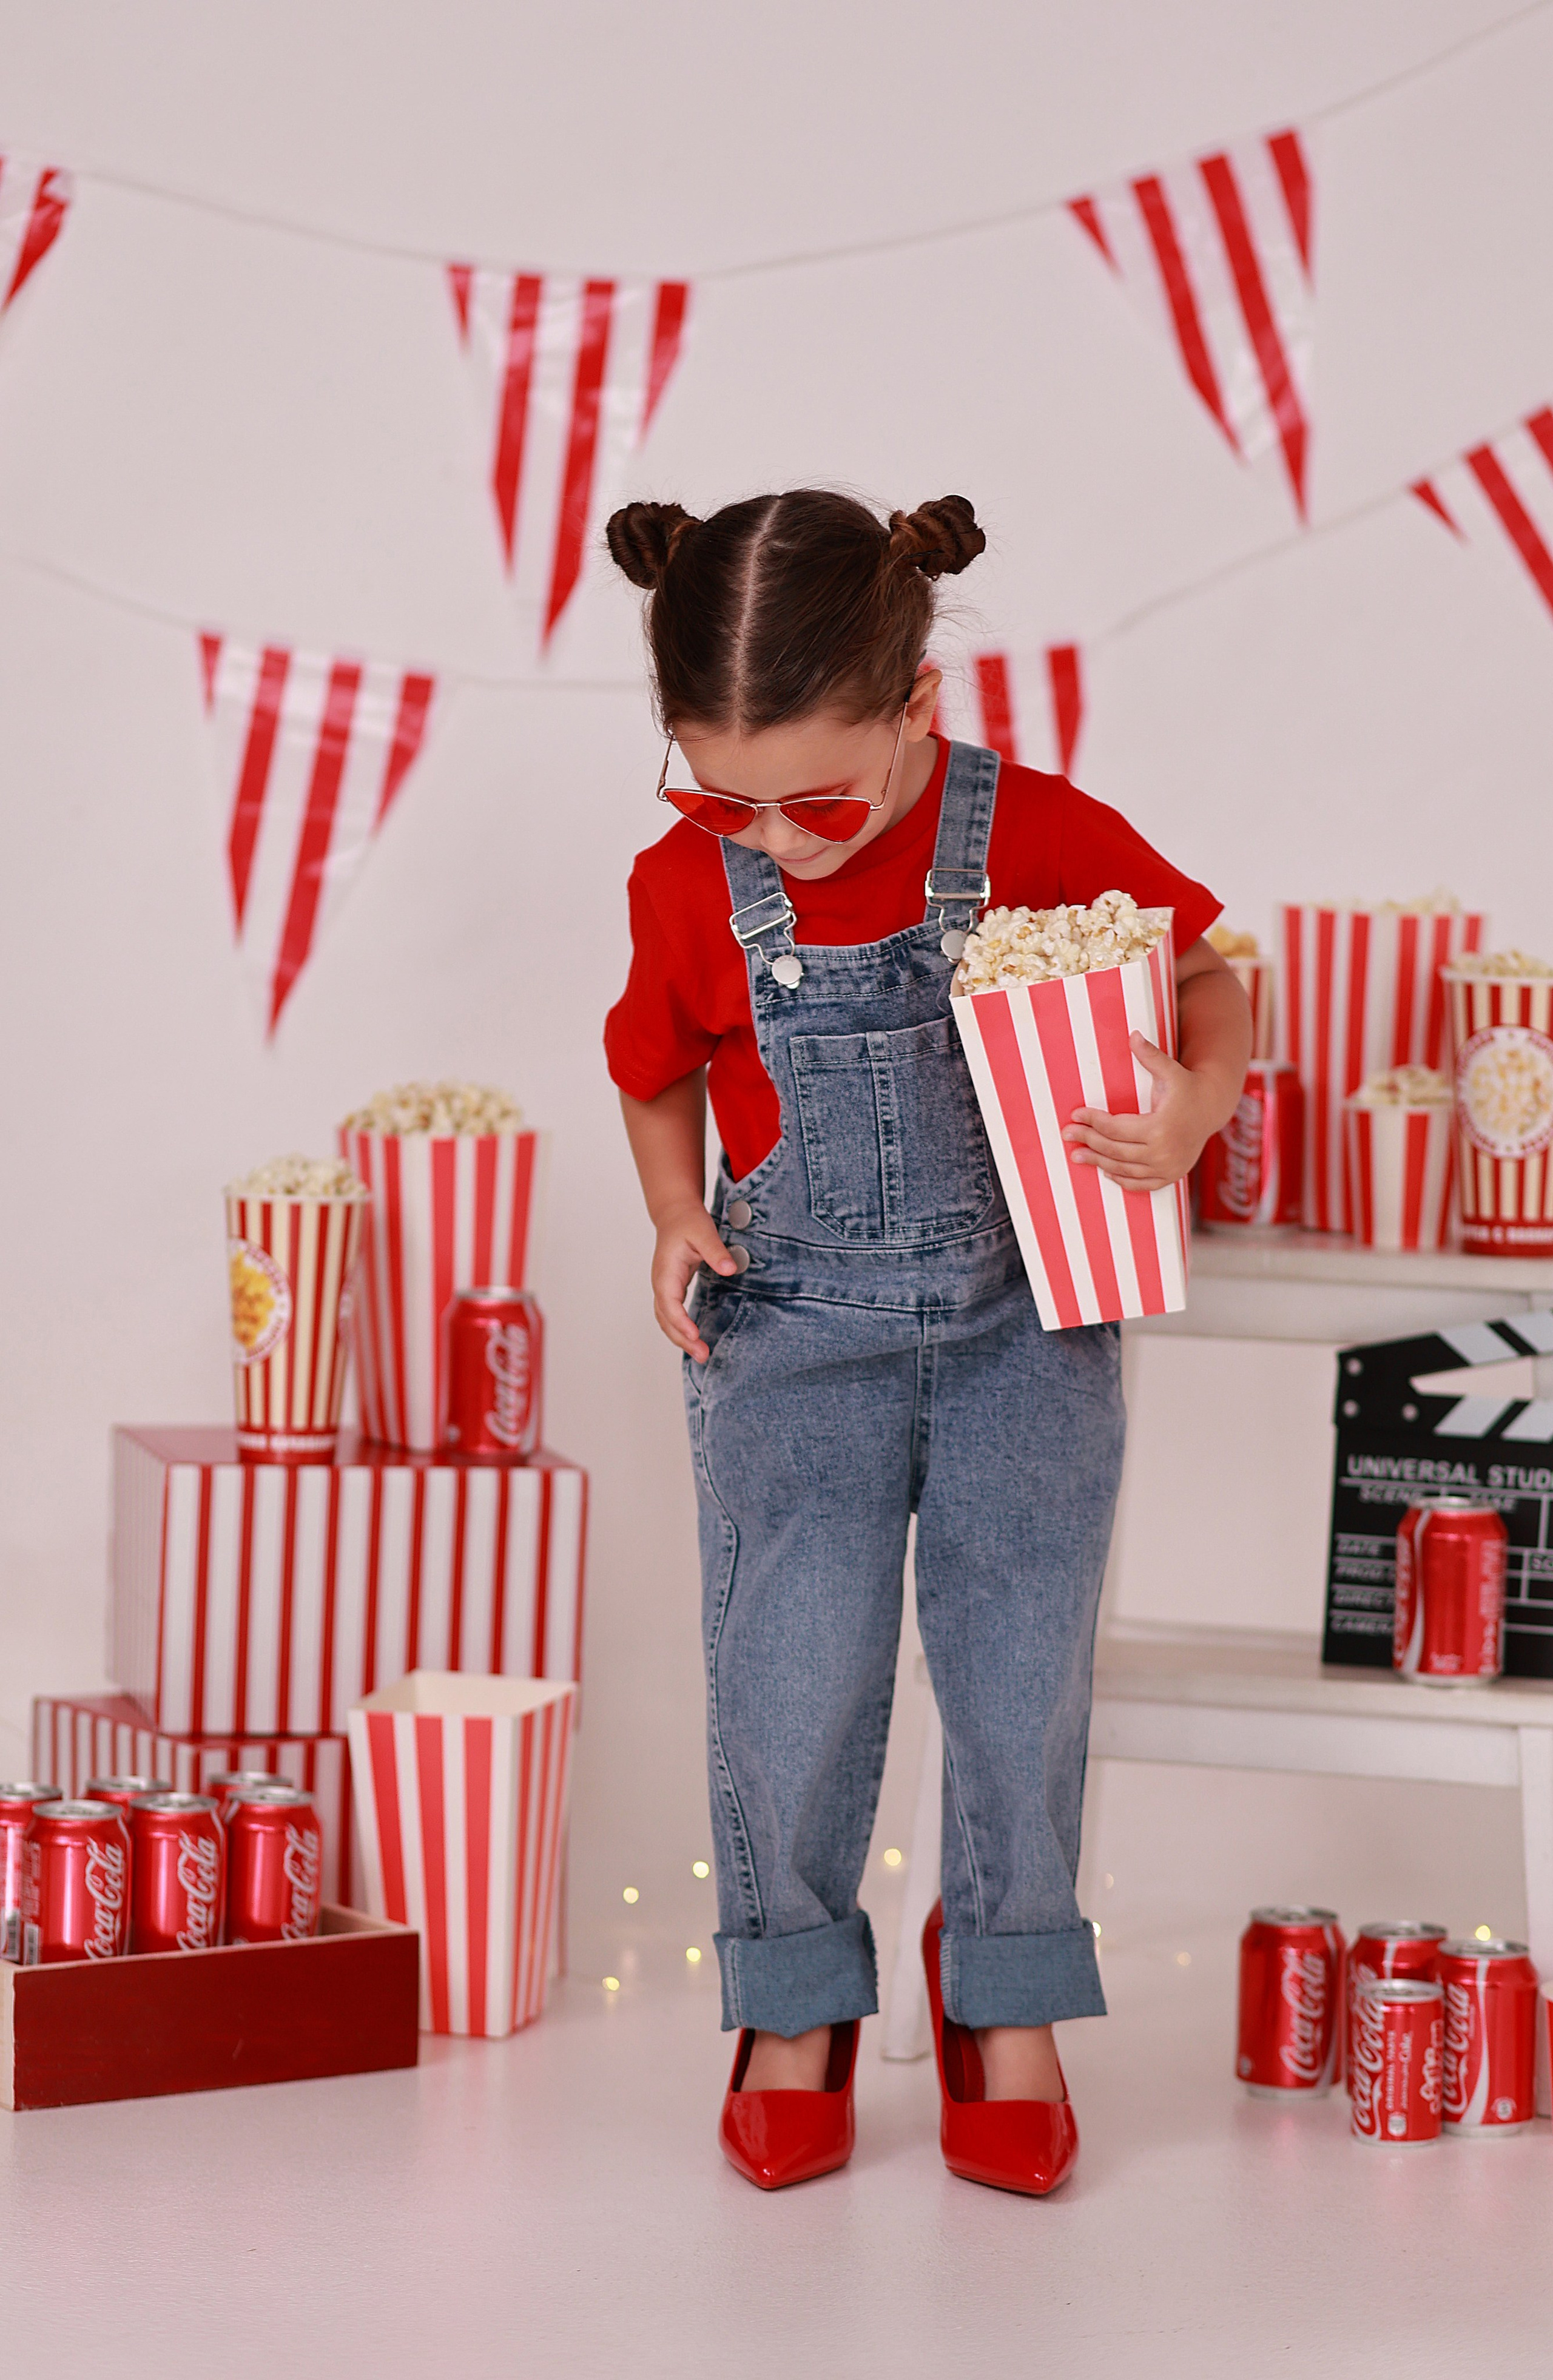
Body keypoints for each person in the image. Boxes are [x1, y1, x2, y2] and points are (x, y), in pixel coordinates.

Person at [603, 489, 1250, 2195]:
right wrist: (672, 1207)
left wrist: (1191, 1105)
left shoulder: (1032, 832)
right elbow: (654, 1069)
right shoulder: (688, 887)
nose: (777, 839)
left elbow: (1207, 975)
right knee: (790, 1672)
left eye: (818, 799)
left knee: (1020, 1667)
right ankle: (795, 1996)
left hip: (1022, 1322)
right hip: (790, 1333)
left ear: (917, 707)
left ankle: (1005, 1983)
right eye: (720, 797)